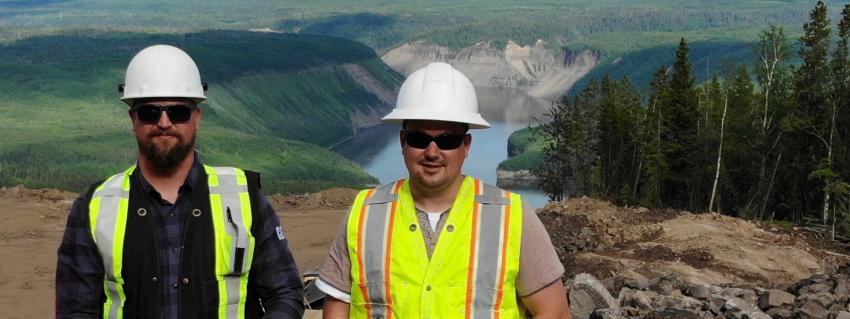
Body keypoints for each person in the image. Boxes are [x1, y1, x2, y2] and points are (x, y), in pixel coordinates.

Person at [55, 45, 304, 318]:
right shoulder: (95, 207)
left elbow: (285, 294)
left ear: (197, 118)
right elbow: (76, 310)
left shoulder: (245, 197)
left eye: (178, 112)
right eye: (150, 112)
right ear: (133, 118)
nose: (164, 122)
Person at [316, 62, 572, 318]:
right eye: (419, 139)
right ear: (404, 142)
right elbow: (337, 309)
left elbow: (555, 312)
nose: (432, 152)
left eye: (447, 140)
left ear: (466, 146)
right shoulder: (364, 215)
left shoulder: (512, 218)